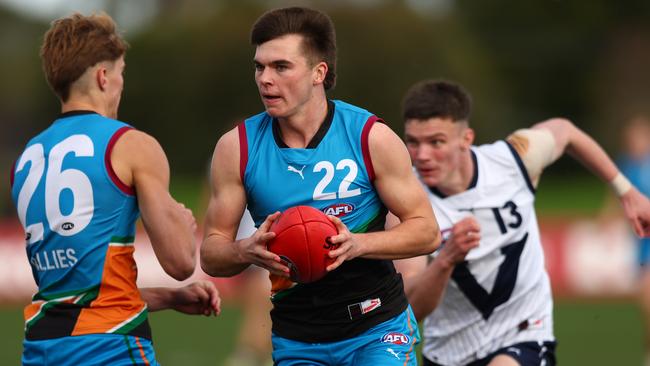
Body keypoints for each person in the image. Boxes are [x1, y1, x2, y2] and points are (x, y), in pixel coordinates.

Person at [200, 6, 440, 366]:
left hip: (377, 327)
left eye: (281, 67)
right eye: (259, 66)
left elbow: (427, 232)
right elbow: (211, 253)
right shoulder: (237, 148)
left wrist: (358, 244)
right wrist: (245, 250)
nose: (265, 78)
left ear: (318, 72)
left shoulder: (369, 137)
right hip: (297, 337)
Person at [9, 13, 220, 365]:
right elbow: (181, 262)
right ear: (103, 77)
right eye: (121, 72)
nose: (122, 83)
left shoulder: (27, 159)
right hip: (109, 348)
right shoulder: (130, 144)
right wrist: (182, 225)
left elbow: (79, 295)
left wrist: (169, 298)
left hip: (41, 349)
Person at [392, 80, 650, 366]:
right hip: (448, 352)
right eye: (413, 142)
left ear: (466, 138)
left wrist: (626, 192)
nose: (423, 155)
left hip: (523, 334)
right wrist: (446, 260)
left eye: (436, 142)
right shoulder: (406, 203)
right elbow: (411, 307)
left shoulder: (513, 160)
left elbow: (566, 131)